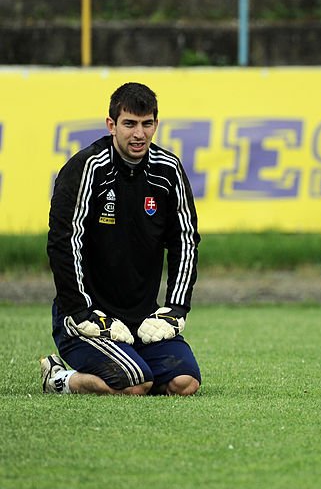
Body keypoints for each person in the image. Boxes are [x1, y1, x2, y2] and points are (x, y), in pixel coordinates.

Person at [39, 82, 202, 396]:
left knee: (185, 384)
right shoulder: (86, 167)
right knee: (136, 384)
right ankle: (61, 379)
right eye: (129, 124)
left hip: (142, 320)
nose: (138, 134)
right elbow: (63, 242)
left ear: (156, 124)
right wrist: (79, 311)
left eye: (146, 124)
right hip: (87, 319)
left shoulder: (168, 170)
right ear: (111, 125)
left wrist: (175, 309)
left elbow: (185, 240)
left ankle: (132, 363)